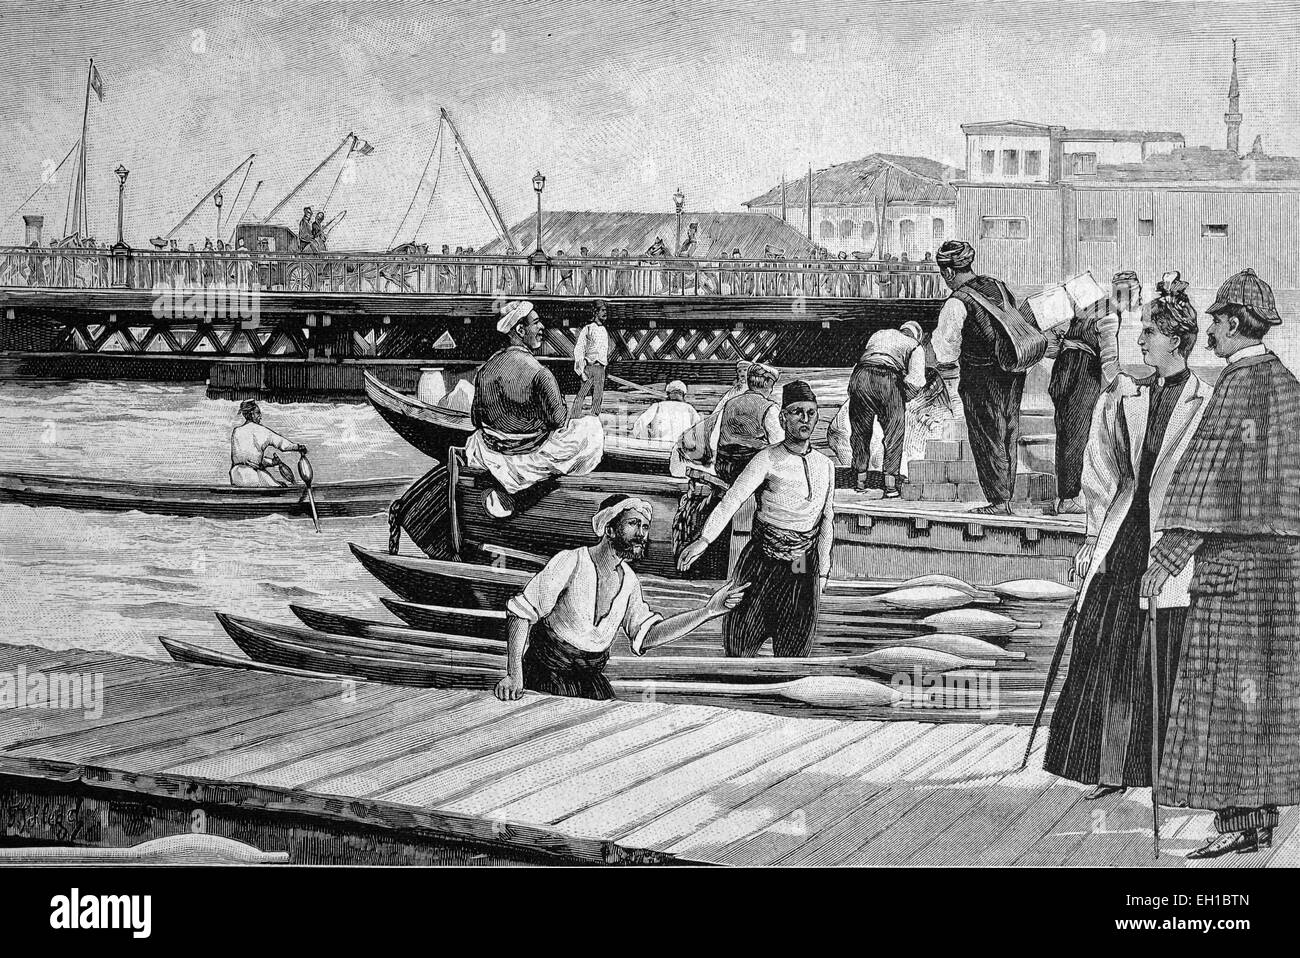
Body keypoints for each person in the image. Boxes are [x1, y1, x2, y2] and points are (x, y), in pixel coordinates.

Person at [1140, 268, 1300, 859]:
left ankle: (1243, 820)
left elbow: (1207, 482)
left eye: (1214, 322)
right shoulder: (1288, 386)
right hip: (1285, 577)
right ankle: (1257, 817)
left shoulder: (1235, 387)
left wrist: (1166, 557)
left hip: (1234, 573)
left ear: (1231, 324)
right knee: (1268, 697)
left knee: (1229, 700)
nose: (1208, 332)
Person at [1043, 283, 1209, 800]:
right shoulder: (1126, 395)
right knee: (1109, 656)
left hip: (1171, 548)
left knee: (1166, 661)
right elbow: (1102, 472)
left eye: (1152, 332)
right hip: (1123, 538)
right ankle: (1112, 769)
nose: (1142, 341)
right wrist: (1093, 539)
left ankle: (1170, 775)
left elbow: (1206, 485)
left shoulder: (1207, 403)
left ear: (1178, 341)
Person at [494, 495, 748, 701]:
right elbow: (521, 613)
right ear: (610, 529)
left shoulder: (629, 582)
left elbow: (648, 635)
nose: (641, 533)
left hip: (589, 681)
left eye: (645, 526)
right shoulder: (570, 561)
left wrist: (707, 611)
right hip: (543, 673)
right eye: (633, 524)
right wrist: (514, 675)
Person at [678, 381, 834, 657]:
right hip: (762, 563)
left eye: (811, 413)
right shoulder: (766, 459)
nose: (805, 419)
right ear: (783, 417)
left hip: (800, 565)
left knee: (794, 654)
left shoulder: (826, 465)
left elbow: (826, 520)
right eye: (797, 412)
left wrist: (822, 573)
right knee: (739, 646)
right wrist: (703, 540)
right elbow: (733, 500)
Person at [467, 300, 604, 518]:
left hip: (491, 451)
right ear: (520, 330)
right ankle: (527, 495)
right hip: (528, 455)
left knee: (475, 437)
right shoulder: (541, 373)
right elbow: (559, 420)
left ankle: (499, 486)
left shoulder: (485, 370)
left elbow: (476, 418)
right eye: (536, 323)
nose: (542, 329)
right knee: (592, 427)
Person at [932, 239, 1025, 516]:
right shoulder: (997, 285)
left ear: (948, 272)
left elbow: (945, 351)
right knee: (1008, 430)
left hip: (980, 375)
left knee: (987, 435)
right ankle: (1005, 496)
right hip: (1012, 371)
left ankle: (998, 502)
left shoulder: (957, 301)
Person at [1045, 272, 1124, 514]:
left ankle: (1065, 495)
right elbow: (1109, 357)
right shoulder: (1109, 314)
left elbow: (1051, 347)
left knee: (1065, 432)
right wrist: (1119, 384)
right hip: (1083, 372)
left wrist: (1064, 348)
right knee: (1077, 434)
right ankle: (1069, 498)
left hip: (1062, 371)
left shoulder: (1080, 310)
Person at [849, 319, 927, 498]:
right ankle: (890, 486)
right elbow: (916, 380)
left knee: (860, 431)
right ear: (917, 336)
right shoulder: (915, 346)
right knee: (894, 432)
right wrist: (900, 399)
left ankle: (860, 481)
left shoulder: (879, 334)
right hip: (888, 381)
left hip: (860, 377)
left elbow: (866, 356)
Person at [713, 362, 783, 484]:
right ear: (766, 383)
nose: (771, 391)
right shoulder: (769, 407)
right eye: (772, 386)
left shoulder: (730, 403)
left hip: (723, 467)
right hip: (750, 469)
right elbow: (778, 442)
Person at [229, 400, 307, 487]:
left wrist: (272, 462)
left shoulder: (236, 431)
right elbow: (282, 445)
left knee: (277, 483)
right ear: (252, 414)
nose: (260, 416)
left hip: (235, 476)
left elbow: (248, 458)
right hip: (251, 477)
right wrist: (298, 447)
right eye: (258, 413)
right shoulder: (262, 431)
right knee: (281, 487)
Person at [570, 299, 610, 417]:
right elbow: (579, 349)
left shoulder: (604, 330)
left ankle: (595, 418)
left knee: (598, 396)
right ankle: (574, 416)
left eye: (605, 310)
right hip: (589, 368)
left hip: (600, 369)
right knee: (582, 394)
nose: (605, 313)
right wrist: (581, 371)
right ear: (596, 312)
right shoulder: (587, 329)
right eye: (602, 310)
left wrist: (603, 368)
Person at [633, 380, 700, 446]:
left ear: (668, 394)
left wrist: (642, 440)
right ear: (683, 394)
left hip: (659, 446)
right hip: (681, 448)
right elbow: (699, 429)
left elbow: (640, 424)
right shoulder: (689, 409)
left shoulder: (658, 406)